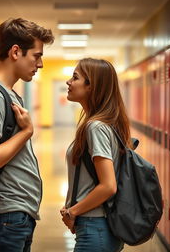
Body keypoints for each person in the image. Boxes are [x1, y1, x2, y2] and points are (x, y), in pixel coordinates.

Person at [0, 18, 54, 251]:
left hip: (14, 217)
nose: (41, 64)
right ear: (16, 52)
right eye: (37, 56)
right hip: (4, 219)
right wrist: (26, 132)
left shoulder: (9, 95)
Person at [60, 58, 132, 252]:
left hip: (95, 227)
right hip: (99, 227)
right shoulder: (105, 124)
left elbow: (108, 186)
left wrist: (72, 211)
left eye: (75, 77)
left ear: (91, 86)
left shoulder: (96, 127)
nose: (68, 82)